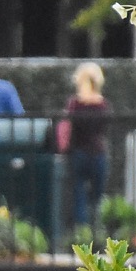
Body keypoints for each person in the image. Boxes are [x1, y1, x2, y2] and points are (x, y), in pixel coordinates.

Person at [60, 62, 111, 236]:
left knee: (78, 197)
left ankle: (81, 235)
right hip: (98, 153)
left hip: (78, 153)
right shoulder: (102, 105)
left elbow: (68, 129)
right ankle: (98, 232)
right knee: (97, 197)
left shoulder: (74, 104)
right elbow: (103, 129)